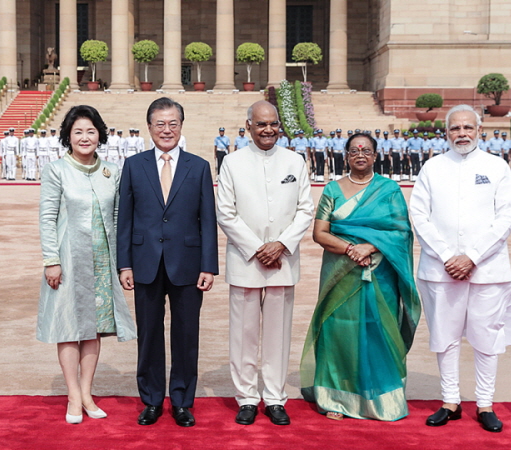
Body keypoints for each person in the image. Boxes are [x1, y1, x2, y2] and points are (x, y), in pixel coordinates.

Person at [410, 104, 511, 433]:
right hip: (440, 269)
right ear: (446, 132)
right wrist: (447, 255)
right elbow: (419, 214)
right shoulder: (432, 167)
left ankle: (485, 403)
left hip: (487, 269)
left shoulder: (497, 167)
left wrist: (471, 255)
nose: (462, 134)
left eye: (468, 128)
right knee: (446, 337)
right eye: (455, 129)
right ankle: (450, 401)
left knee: (487, 339)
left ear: (479, 131)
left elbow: (506, 217)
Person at [299, 132, 421, 422]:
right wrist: (351, 249)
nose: (360, 154)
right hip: (340, 274)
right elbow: (320, 233)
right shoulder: (332, 190)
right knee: (338, 331)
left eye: (366, 150)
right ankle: (336, 398)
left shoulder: (389, 190)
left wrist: (372, 245)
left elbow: (401, 232)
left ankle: (382, 399)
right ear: (347, 155)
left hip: (381, 275)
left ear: (376, 155)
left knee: (378, 329)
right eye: (354, 150)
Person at [117, 97, 218, 428]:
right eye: (160, 124)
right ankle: (150, 399)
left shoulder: (199, 166)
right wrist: (125, 264)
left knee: (186, 335)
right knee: (148, 334)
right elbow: (125, 219)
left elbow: (207, 220)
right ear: (149, 127)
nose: (166, 130)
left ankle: (182, 401)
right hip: (145, 262)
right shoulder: (134, 165)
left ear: (181, 127)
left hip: (188, 264)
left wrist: (208, 266)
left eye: (173, 123)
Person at [216, 100, 313, 426]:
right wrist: (258, 248)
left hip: (282, 261)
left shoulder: (295, 161)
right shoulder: (232, 162)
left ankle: (274, 397)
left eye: (273, 124)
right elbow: (225, 212)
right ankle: (245, 397)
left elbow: (305, 210)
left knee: (277, 334)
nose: (268, 129)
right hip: (246, 260)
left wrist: (281, 245)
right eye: (261, 124)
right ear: (248, 127)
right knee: (244, 335)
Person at [37, 104, 136, 425]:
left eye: (91, 131)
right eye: (78, 131)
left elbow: (120, 218)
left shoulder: (111, 171)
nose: (85, 137)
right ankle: (73, 396)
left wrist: (123, 264)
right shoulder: (56, 170)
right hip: (67, 261)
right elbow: (47, 217)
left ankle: (87, 392)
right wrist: (51, 260)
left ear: (100, 135)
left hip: (102, 261)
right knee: (68, 327)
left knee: (93, 328)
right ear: (68, 136)